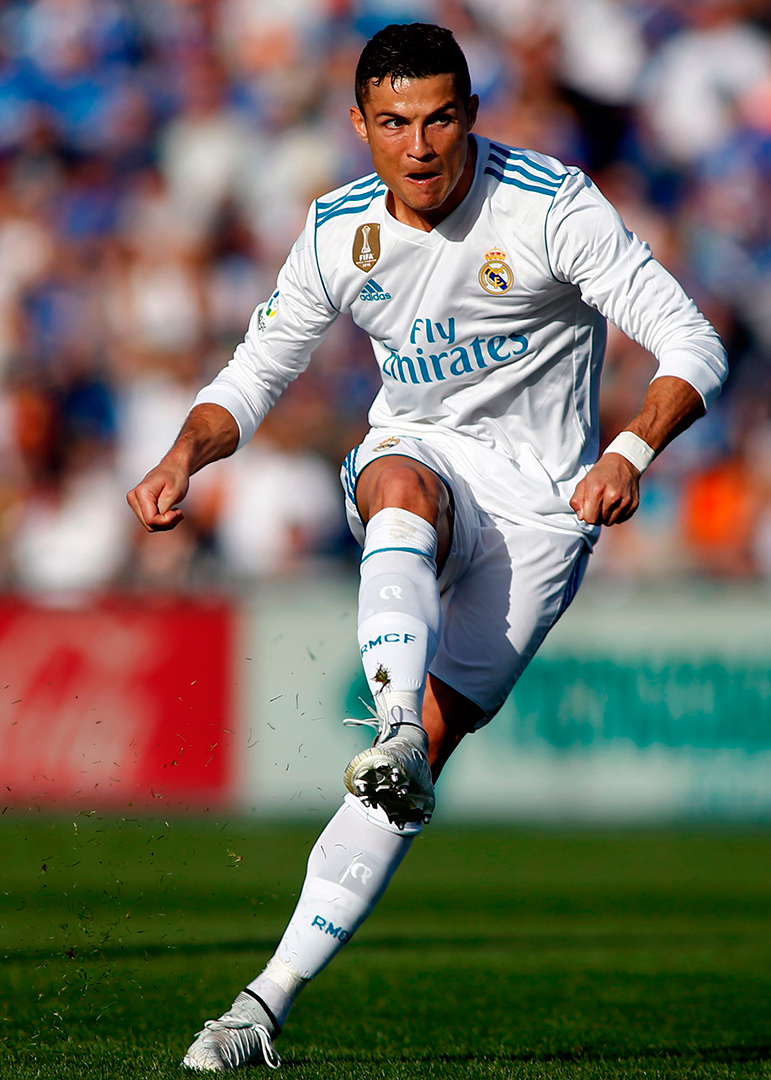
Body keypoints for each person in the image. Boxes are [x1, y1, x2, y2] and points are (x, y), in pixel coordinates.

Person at [126, 22, 726, 1071]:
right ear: (359, 125)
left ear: (472, 117)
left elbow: (692, 341)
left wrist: (630, 449)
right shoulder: (334, 232)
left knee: (409, 777)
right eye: (394, 122)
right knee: (396, 484)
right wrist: (186, 454)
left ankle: (262, 1008)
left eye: (441, 117)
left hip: (547, 511)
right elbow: (253, 373)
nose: (419, 145)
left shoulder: (550, 207)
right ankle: (391, 722)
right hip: (423, 450)